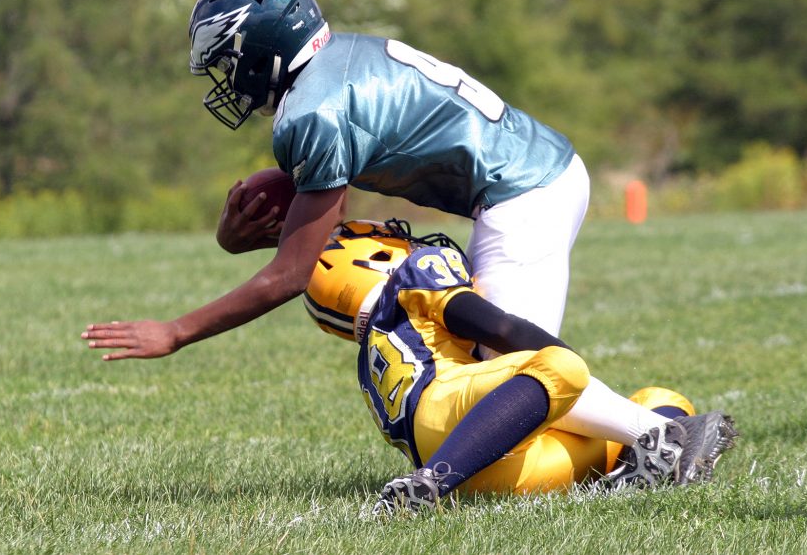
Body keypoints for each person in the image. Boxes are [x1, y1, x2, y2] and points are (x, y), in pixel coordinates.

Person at [81, 0, 589, 361]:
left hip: (524, 194)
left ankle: (649, 435)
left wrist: (175, 331)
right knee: (489, 358)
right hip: (536, 178)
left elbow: (294, 273)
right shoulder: (336, 63)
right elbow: (320, 222)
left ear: (261, 49)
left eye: (228, 61)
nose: (229, 80)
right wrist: (241, 236)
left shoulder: (313, 110)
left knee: (511, 370)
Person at [302, 219, 738, 515]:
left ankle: (640, 470)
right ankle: (429, 486)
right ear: (373, 257)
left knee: (661, 399)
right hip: (452, 415)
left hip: (488, 463)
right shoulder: (415, 274)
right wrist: (571, 366)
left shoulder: (371, 359)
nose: (410, 245)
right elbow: (502, 328)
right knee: (560, 367)